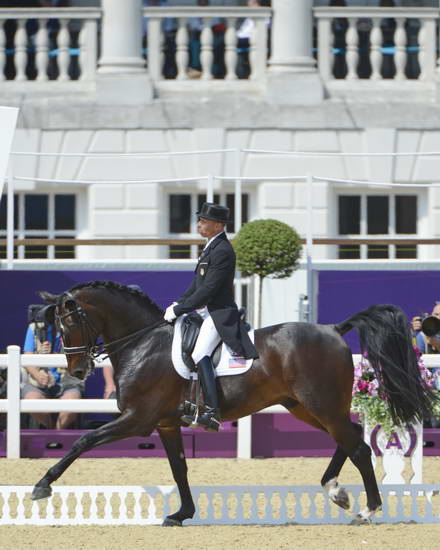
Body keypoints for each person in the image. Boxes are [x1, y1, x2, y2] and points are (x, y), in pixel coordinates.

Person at [163, 201, 258, 432]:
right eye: (199, 220)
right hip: (204, 312)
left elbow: (209, 290)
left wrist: (180, 310)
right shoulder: (210, 248)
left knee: (199, 353)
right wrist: (179, 303)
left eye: (203, 221)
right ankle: (192, 404)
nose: (198, 225)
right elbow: (197, 284)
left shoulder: (223, 250)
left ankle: (212, 412)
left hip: (218, 313)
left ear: (217, 225)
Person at [22, 302, 84, 429]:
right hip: (38, 382)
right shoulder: (34, 328)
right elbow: (27, 358)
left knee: (72, 405)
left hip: (67, 382)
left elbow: (80, 360)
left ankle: (57, 432)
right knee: (32, 401)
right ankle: (50, 429)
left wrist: (55, 354)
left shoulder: (74, 330)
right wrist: (38, 374)